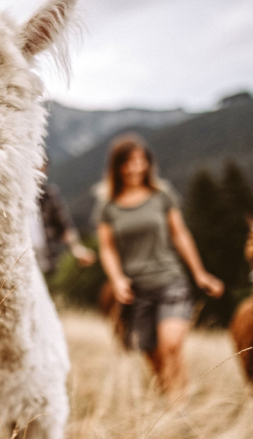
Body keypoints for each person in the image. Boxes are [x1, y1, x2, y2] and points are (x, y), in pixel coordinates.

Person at [95, 133, 223, 400]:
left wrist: (200, 274)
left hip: (170, 281)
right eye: (128, 162)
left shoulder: (161, 195)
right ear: (117, 167)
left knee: (171, 346)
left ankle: (179, 407)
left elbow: (180, 234)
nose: (135, 168)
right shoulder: (108, 206)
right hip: (137, 290)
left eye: (141, 161)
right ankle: (172, 401)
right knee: (153, 355)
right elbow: (107, 248)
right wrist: (117, 279)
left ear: (148, 164)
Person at [31, 165, 96, 275]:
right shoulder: (11, 199)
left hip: (47, 263)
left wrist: (77, 249)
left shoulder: (49, 195)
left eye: (42, 169)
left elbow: (64, 227)